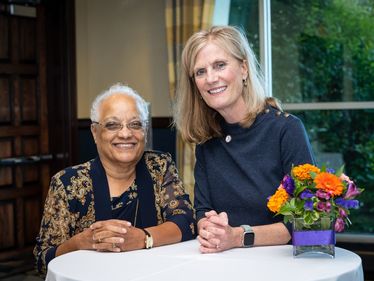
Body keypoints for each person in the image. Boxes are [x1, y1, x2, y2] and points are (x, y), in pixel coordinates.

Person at [173, 26, 315, 253]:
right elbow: (202, 210)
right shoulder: (206, 142)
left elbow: (307, 221)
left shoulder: (287, 129)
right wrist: (209, 227)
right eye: (200, 72)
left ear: (244, 68)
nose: (211, 78)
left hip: (282, 265)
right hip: (223, 263)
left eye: (220, 65)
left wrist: (238, 236)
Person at [34, 83, 196, 275]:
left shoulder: (159, 166)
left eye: (135, 124)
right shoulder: (67, 183)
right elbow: (43, 259)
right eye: (112, 125)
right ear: (95, 132)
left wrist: (144, 238)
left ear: (145, 130)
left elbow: (187, 222)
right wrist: (79, 242)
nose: (126, 133)